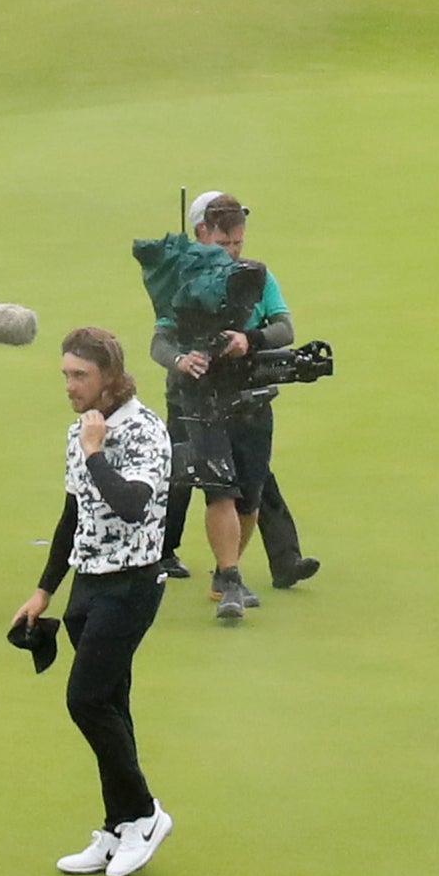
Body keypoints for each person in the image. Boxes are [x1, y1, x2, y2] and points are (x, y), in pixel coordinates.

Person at [13, 324, 177, 876]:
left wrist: (96, 452)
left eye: (80, 375)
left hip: (133, 585)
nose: (70, 386)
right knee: (112, 704)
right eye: (65, 375)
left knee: (85, 700)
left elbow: (133, 505)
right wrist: (43, 590)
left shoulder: (145, 431)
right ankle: (118, 827)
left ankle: (146, 815)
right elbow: (72, 515)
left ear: (109, 376)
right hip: (88, 583)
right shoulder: (79, 432)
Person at [149, 190, 317, 617]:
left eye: (238, 244)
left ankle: (236, 570)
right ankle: (201, 566)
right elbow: (160, 341)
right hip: (195, 396)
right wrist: (182, 360)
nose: (233, 253)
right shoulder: (182, 280)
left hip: (248, 395)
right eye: (225, 244)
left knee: (251, 488)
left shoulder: (255, 276)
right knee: (203, 482)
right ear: (203, 233)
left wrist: (250, 340)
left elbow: (284, 327)